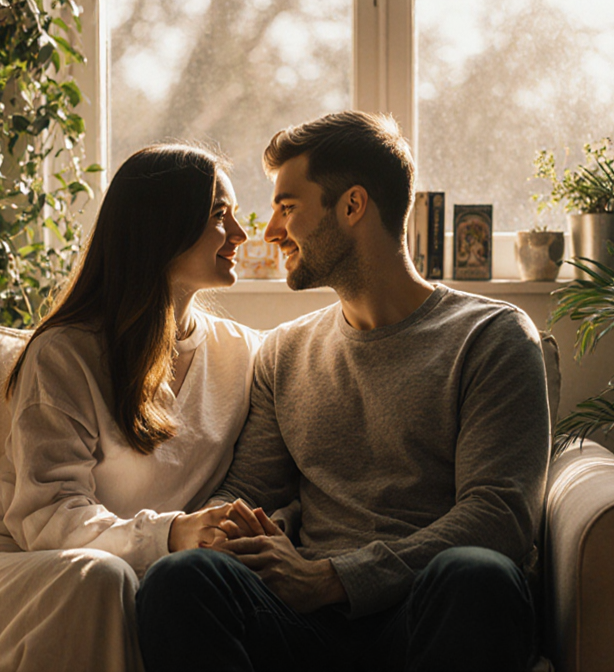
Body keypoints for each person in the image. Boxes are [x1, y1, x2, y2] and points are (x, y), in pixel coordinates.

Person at [136, 111, 551, 672]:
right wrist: (229, 529)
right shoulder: (284, 352)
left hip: (425, 611)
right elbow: (248, 487)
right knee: (181, 579)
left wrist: (333, 579)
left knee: (479, 575)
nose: (269, 231)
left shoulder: (491, 337)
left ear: (353, 207)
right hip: (306, 624)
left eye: (288, 207)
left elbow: (498, 515)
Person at [0, 144, 259, 672]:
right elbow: (48, 518)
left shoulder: (244, 354)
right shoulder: (67, 354)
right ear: (161, 227)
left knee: (118, 584)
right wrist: (170, 533)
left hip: (128, 587)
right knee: (102, 578)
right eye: (217, 214)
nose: (240, 233)